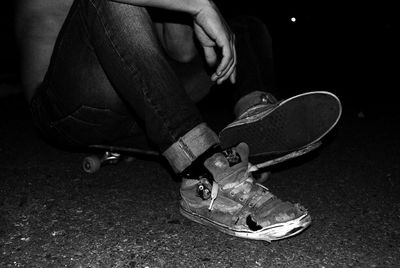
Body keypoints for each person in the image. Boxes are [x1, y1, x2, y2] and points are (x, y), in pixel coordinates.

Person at [15, 0, 341, 241]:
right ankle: (201, 167)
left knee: (243, 26)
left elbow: (182, 52)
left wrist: (190, 10)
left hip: (135, 105)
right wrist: (198, 5)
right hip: (67, 109)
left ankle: (255, 114)